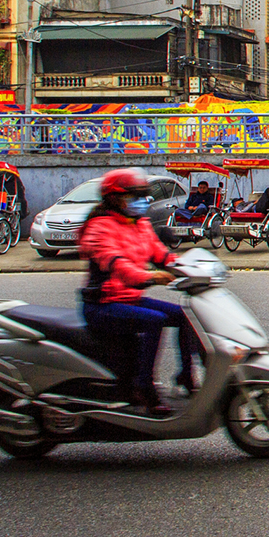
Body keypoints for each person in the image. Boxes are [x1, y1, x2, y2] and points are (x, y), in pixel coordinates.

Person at [80, 168, 201, 415]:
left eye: (143, 195)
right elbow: (118, 265)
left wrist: (189, 268)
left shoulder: (140, 224)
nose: (142, 201)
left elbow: (160, 254)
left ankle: (186, 376)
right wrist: (150, 277)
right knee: (154, 321)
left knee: (188, 316)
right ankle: (143, 388)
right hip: (102, 305)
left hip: (129, 299)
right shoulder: (99, 228)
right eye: (134, 196)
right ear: (115, 199)